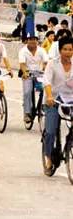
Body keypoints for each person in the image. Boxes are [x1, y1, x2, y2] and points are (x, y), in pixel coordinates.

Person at [42, 37, 73, 175]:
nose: (68, 52)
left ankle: (69, 143)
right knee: (50, 131)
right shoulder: (52, 64)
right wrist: (49, 97)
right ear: (60, 50)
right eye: (65, 49)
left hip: (70, 100)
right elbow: (47, 82)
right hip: (54, 100)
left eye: (71, 49)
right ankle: (48, 156)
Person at [19, 34, 48, 123]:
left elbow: (45, 62)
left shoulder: (41, 50)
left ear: (37, 40)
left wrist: (45, 69)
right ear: (27, 40)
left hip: (39, 74)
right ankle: (27, 113)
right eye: (30, 39)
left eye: (34, 39)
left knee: (45, 89)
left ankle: (42, 106)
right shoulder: (23, 51)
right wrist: (25, 73)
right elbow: (22, 64)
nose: (33, 41)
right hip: (27, 73)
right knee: (27, 91)